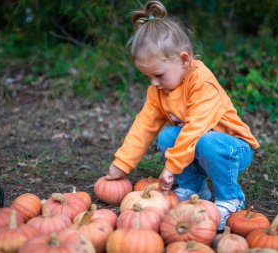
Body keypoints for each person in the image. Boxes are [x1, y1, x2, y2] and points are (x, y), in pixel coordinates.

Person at [104, 0, 260, 230]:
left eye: (158, 75)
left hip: (232, 148)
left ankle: (231, 199)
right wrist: (122, 164)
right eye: (148, 77)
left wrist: (171, 167)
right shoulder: (159, 91)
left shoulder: (202, 82)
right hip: (200, 148)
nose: (154, 83)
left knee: (207, 140)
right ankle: (194, 188)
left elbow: (195, 129)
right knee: (167, 136)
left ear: (184, 60)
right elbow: (143, 126)